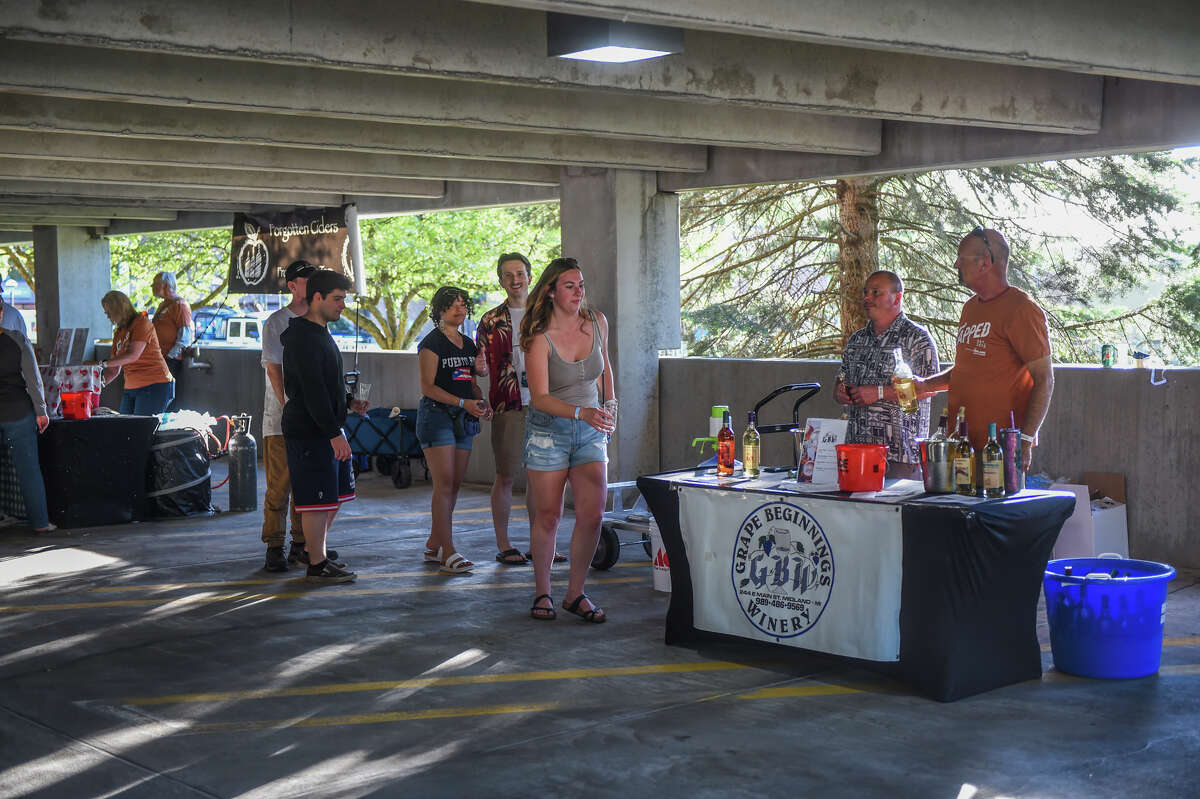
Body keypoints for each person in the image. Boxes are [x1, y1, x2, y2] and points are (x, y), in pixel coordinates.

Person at [520, 258, 615, 623]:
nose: (579, 293)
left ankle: (575, 594)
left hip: (591, 428)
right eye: (570, 286)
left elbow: (605, 369)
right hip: (548, 431)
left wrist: (611, 408)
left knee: (592, 514)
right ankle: (542, 592)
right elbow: (540, 397)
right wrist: (581, 413)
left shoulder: (597, 323)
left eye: (581, 285)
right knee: (548, 515)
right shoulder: (538, 336)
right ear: (550, 291)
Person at [914, 227, 1054, 471]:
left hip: (998, 450)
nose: (956, 264)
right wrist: (926, 385)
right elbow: (966, 371)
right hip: (961, 445)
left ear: (985, 262)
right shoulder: (970, 308)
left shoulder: (1021, 309)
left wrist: (1026, 439)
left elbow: (1045, 379)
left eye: (962, 258)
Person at [475, 252, 566, 566]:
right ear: (501, 281)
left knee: (540, 476)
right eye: (508, 275)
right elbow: (481, 365)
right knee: (505, 476)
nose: (515, 280)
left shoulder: (548, 314)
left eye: (520, 273)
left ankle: (539, 544)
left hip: (548, 402)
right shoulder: (489, 320)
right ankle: (504, 544)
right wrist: (481, 370)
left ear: (530, 276)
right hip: (509, 405)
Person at [280, 269, 366, 584]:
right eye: (338, 299)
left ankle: (317, 553)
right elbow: (311, 390)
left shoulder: (320, 333)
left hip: (326, 427)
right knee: (316, 501)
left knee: (335, 497)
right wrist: (333, 433)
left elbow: (325, 385)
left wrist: (347, 402)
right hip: (310, 431)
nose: (343, 305)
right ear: (317, 298)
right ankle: (316, 563)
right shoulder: (303, 338)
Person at [259, 260, 338, 572]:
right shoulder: (276, 322)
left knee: (306, 484)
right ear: (292, 286)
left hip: (310, 420)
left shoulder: (319, 321)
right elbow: (275, 371)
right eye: (308, 280)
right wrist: (292, 409)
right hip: (281, 420)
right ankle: (274, 545)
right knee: (280, 485)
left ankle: (303, 544)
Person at [417, 286, 492, 575]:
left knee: (455, 485)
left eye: (463, 304)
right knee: (444, 485)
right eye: (452, 305)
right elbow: (427, 386)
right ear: (439, 310)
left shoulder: (469, 344)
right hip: (436, 417)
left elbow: (470, 382)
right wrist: (464, 402)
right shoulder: (432, 343)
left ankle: (434, 543)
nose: (459, 309)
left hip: (463, 418)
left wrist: (479, 400)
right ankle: (447, 550)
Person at [835, 270, 940, 479]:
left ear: (897, 298)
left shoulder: (917, 338)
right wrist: (839, 392)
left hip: (900, 456)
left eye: (876, 293)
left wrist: (879, 392)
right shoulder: (857, 340)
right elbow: (841, 379)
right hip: (857, 452)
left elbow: (930, 389)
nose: (867, 298)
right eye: (866, 293)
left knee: (892, 512)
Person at [0, 326, 54, 532]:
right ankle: (40, 523)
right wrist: (41, 410)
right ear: (1, 313)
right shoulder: (16, 340)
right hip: (17, 412)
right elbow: (33, 377)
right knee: (28, 469)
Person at [100, 290, 175, 415]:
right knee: (126, 428)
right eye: (105, 312)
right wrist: (95, 386)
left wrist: (101, 363)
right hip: (131, 386)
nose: (107, 316)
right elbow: (114, 369)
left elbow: (133, 355)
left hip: (155, 384)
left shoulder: (141, 323)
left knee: (141, 429)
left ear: (120, 309)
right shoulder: (119, 332)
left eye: (109, 312)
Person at [150, 271, 194, 409]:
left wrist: (169, 357)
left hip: (171, 361)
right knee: (157, 399)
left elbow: (184, 337)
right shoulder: (163, 305)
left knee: (167, 400)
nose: (152, 287)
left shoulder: (180, 305)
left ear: (166, 285)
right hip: (159, 359)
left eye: (155, 284)